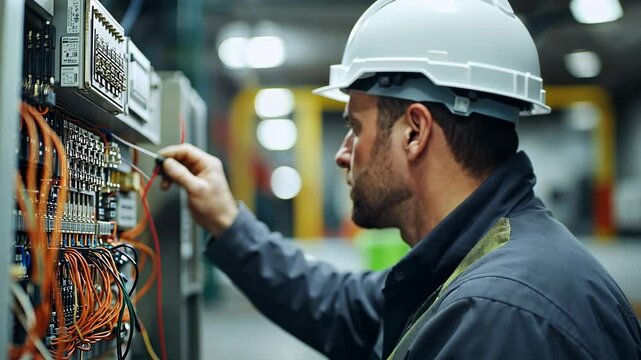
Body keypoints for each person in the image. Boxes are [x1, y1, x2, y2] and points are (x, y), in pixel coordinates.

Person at [159, 0, 641, 358]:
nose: (343, 154)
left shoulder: (497, 316)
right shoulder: (470, 265)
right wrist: (229, 222)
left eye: (354, 127)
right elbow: (343, 308)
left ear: (414, 131)